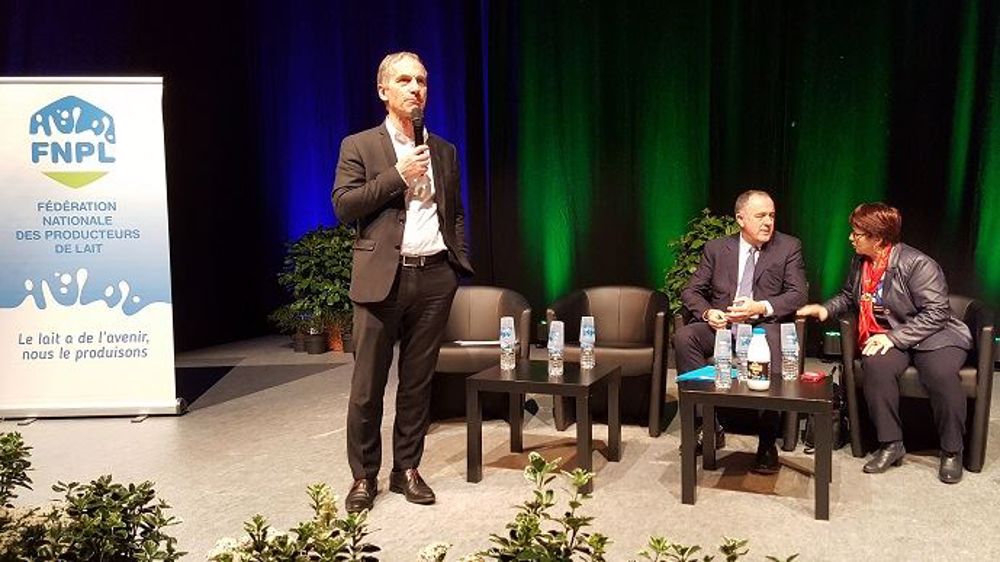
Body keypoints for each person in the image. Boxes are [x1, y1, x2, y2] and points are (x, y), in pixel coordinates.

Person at [332, 52, 473, 512]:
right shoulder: (360, 145)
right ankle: (363, 476)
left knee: (418, 383)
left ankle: (406, 469)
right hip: (381, 281)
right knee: (368, 386)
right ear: (383, 90)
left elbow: (454, 213)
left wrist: (456, 265)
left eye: (423, 81)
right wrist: (397, 176)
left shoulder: (445, 150)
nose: (416, 89)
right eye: (406, 81)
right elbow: (345, 206)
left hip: (434, 277)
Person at [797, 203, 971, 483]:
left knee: (940, 374)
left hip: (936, 336)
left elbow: (937, 313)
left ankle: (952, 449)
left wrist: (892, 337)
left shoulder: (917, 264)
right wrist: (824, 309)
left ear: (878, 238)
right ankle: (891, 443)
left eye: (858, 234)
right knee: (875, 365)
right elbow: (848, 296)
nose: (851, 238)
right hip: (891, 334)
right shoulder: (861, 262)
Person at [674, 189, 808, 473]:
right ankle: (707, 425)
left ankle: (767, 443)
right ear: (740, 219)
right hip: (724, 328)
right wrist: (709, 313)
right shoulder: (716, 248)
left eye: (771, 215)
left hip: (763, 328)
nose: (768, 222)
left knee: (776, 347)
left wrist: (759, 307)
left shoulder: (788, 247)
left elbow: (797, 295)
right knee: (685, 337)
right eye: (760, 216)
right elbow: (691, 291)